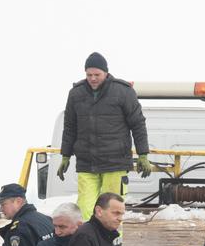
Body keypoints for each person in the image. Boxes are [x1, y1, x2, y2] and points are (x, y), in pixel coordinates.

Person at [57, 52, 151, 221]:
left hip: (115, 163)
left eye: (97, 75)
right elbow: (70, 127)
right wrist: (65, 155)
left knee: (112, 211)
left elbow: (138, 124)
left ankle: (114, 244)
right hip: (87, 163)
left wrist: (143, 154)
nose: (92, 78)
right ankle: (87, 244)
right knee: (85, 209)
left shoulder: (123, 92)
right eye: (89, 75)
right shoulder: (76, 94)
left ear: (106, 73)